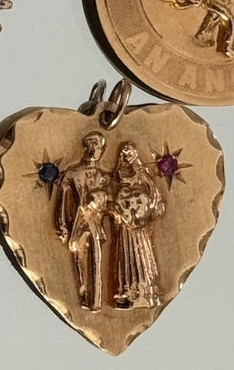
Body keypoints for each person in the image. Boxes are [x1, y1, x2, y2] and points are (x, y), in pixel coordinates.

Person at [55, 132, 112, 311]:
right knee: (80, 262)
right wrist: (62, 226)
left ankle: (96, 300)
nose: (94, 150)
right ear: (85, 148)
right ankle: (84, 297)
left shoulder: (104, 176)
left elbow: (110, 202)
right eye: (91, 146)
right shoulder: (72, 174)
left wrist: (101, 200)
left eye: (98, 147)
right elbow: (63, 202)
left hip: (96, 223)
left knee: (96, 260)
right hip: (78, 224)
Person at [107, 143, 166, 309]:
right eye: (124, 153)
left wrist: (145, 212)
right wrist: (119, 211)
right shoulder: (116, 175)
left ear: (134, 154)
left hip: (139, 225)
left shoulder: (143, 174)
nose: (127, 156)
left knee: (142, 253)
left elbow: (153, 194)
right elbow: (111, 197)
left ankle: (146, 290)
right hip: (124, 225)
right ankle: (127, 291)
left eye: (129, 153)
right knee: (126, 255)